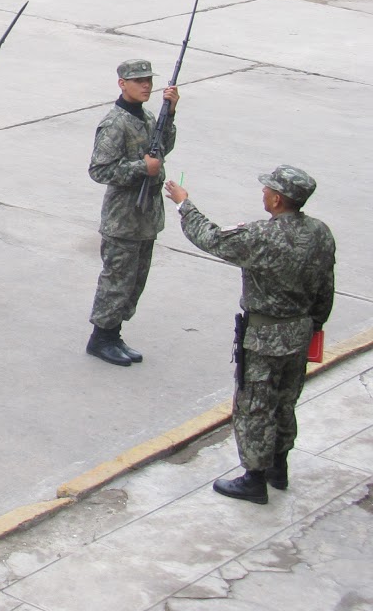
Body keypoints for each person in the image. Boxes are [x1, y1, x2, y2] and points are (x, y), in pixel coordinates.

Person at [165, 167, 335, 505]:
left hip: (264, 336)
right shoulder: (320, 233)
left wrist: (184, 204)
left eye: (267, 190)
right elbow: (326, 288)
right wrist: (314, 325)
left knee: (255, 405)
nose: (263, 194)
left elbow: (211, 238)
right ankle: (278, 467)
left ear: (276, 199)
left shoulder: (262, 236)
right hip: (299, 332)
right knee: (286, 401)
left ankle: (254, 479)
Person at [85, 58, 178, 366]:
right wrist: (142, 167)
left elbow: (163, 145)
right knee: (117, 279)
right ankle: (101, 337)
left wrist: (171, 112)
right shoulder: (115, 123)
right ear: (122, 84)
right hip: (123, 215)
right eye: (139, 81)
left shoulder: (149, 117)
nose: (146, 85)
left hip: (146, 214)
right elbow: (99, 170)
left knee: (136, 279)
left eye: (148, 80)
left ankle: (115, 333)